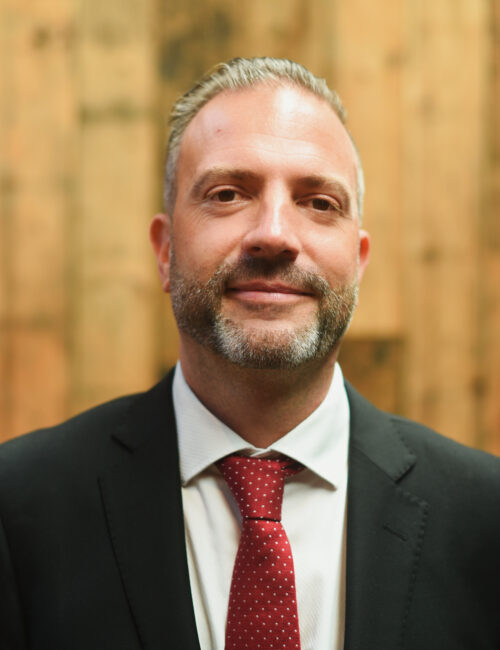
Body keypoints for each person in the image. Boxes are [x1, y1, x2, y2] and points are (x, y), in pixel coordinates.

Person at [0, 57, 499, 650]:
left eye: (319, 203)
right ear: (165, 252)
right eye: (229, 193)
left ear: (358, 261)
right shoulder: (19, 507)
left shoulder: (485, 517)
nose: (275, 234)